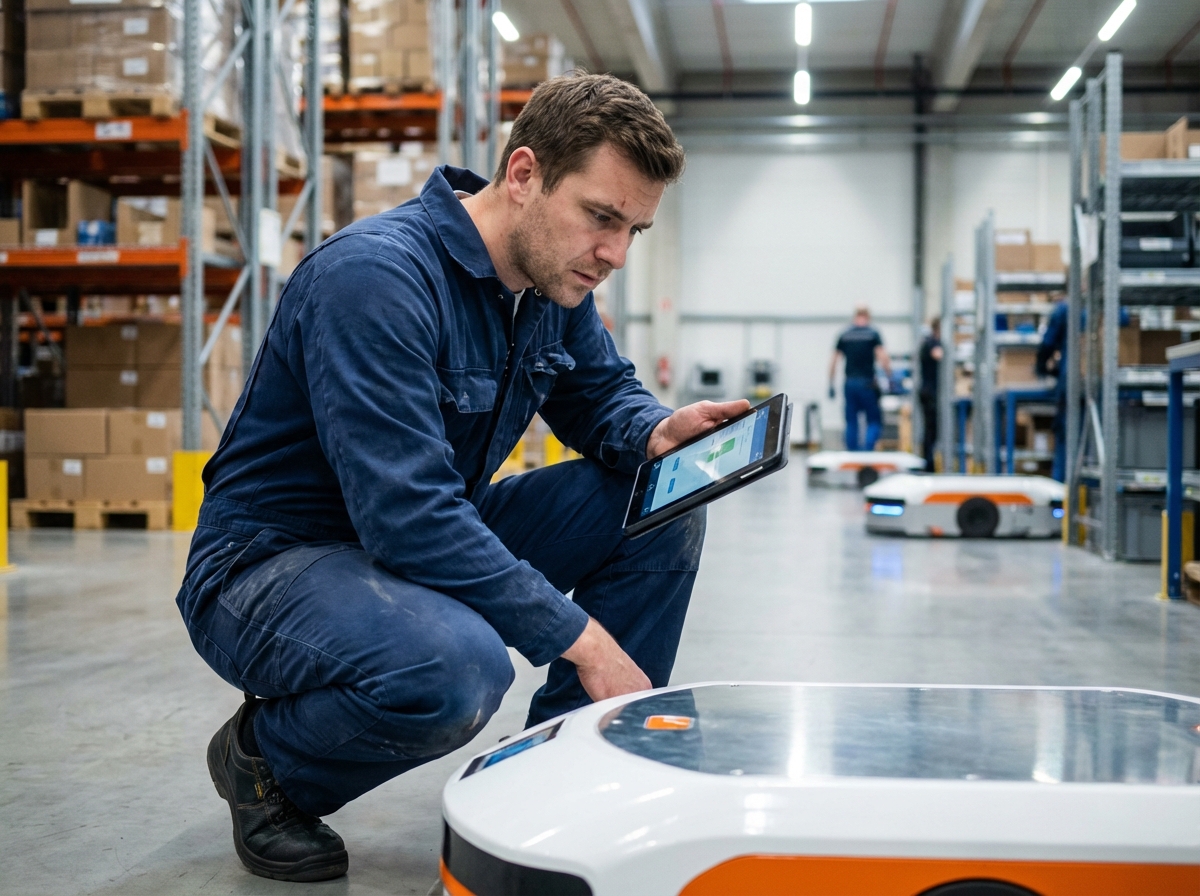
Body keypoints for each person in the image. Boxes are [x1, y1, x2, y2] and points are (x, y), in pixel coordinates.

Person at [176, 73, 751, 882]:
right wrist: (582, 640)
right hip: (271, 566)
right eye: (601, 217)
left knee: (665, 502)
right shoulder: (374, 279)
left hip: (417, 540)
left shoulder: (549, 281)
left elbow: (598, 394)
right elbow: (408, 515)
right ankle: (265, 762)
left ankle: (561, 773)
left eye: (635, 230)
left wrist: (658, 430)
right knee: (456, 668)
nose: (615, 254)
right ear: (523, 176)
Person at [829, 306, 892, 451]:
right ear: (868, 316)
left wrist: (831, 383)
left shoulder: (845, 334)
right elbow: (883, 357)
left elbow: (834, 360)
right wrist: (890, 377)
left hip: (850, 383)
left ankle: (852, 452)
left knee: (851, 421)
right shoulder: (872, 334)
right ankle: (868, 450)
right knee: (874, 419)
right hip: (867, 383)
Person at [1037, 300, 1069, 481]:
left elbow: (1048, 342)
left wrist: (1042, 367)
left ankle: (1063, 492)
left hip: (1071, 378)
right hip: (1105, 381)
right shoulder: (1113, 305)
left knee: (1066, 434)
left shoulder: (1065, 309)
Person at [918, 318, 944, 472]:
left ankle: (928, 463)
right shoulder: (931, 343)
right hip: (930, 393)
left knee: (931, 430)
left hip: (930, 391)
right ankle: (928, 464)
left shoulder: (929, 342)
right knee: (931, 429)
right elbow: (938, 354)